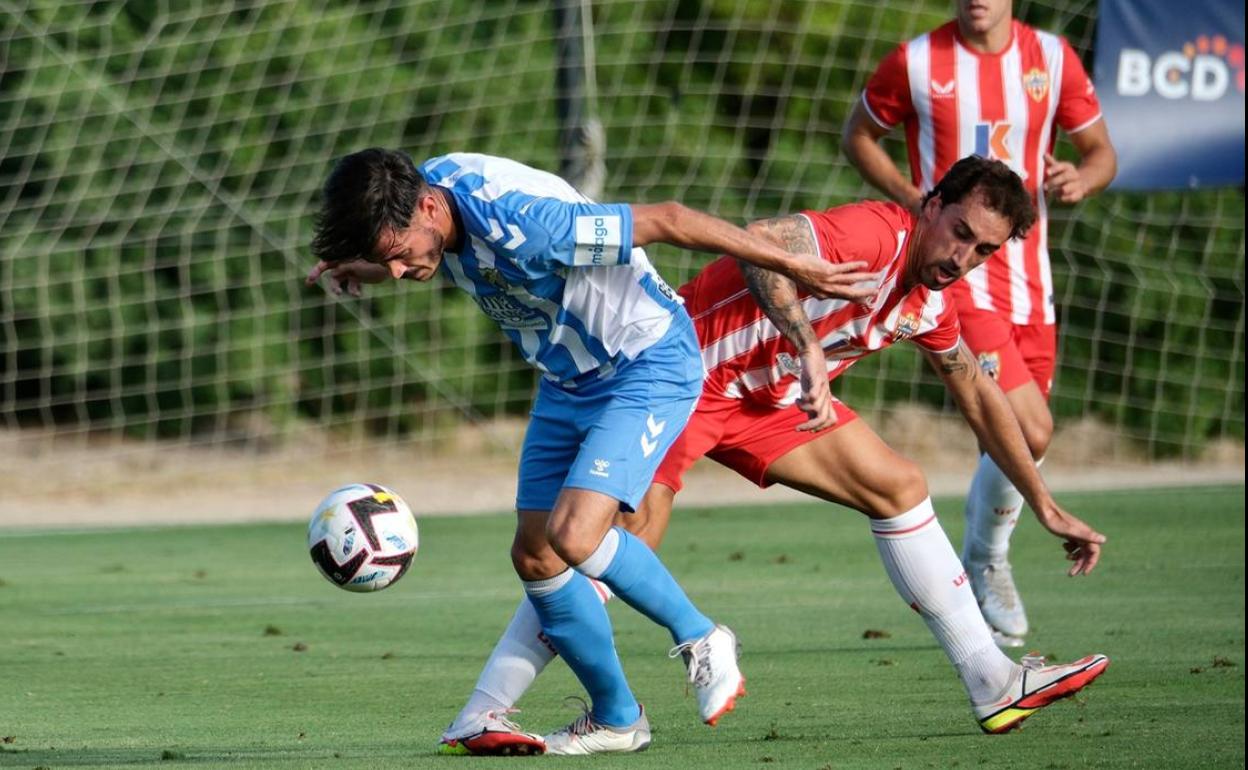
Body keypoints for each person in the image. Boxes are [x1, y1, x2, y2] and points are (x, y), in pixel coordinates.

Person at [442, 156, 1109, 746]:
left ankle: (993, 679)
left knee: (899, 485)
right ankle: (493, 708)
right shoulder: (876, 234)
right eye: (960, 232)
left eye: (983, 250)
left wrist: (1044, 505)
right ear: (930, 206)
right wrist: (807, 342)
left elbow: (979, 396)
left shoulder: (933, 302)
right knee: (607, 541)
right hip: (688, 377)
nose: (963, 256)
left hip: (767, 404)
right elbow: (760, 243)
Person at [306, 149, 875, 756]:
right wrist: (360, 264)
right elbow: (406, 243)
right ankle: (618, 717)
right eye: (384, 259)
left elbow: (671, 219)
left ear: (427, 205)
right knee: (536, 557)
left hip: (645, 364)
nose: (397, 273)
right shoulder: (420, 198)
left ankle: (703, 636)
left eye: (397, 256)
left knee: (574, 537)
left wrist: (790, 263)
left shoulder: (528, 226)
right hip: (568, 379)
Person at [841, 0, 1118, 647]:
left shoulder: (1051, 59)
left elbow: (1101, 152)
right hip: (963, 281)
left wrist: (1084, 177)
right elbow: (858, 134)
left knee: (1026, 439)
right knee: (1030, 425)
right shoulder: (917, 61)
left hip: (1033, 286)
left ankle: (984, 555)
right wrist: (917, 200)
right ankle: (987, 558)